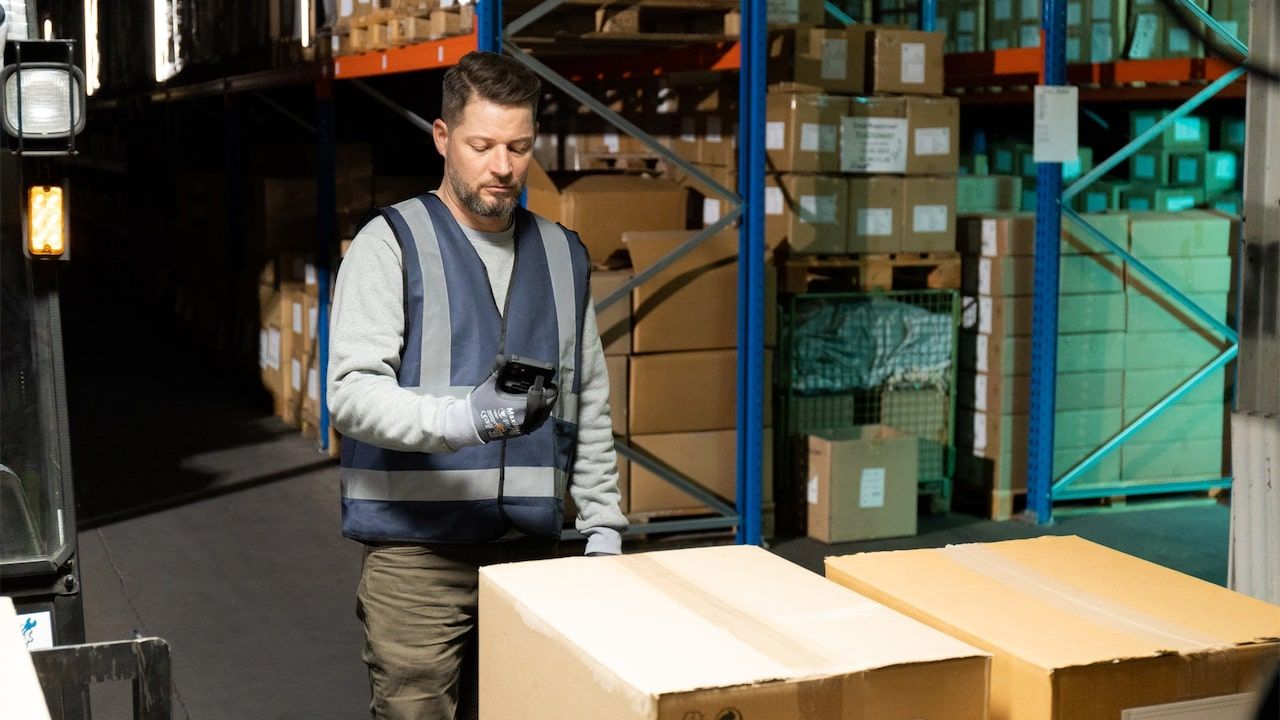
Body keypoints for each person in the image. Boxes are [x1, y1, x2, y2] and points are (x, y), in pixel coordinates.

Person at [327, 51, 627, 720]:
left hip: (532, 555)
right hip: (418, 560)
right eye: (483, 145)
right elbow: (350, 394)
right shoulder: (391, 243)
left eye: (519, 147)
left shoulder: (561, 252)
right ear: (442, 138)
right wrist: (465, 417)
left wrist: (603, 527)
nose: (503, 166)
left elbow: (588, 399)